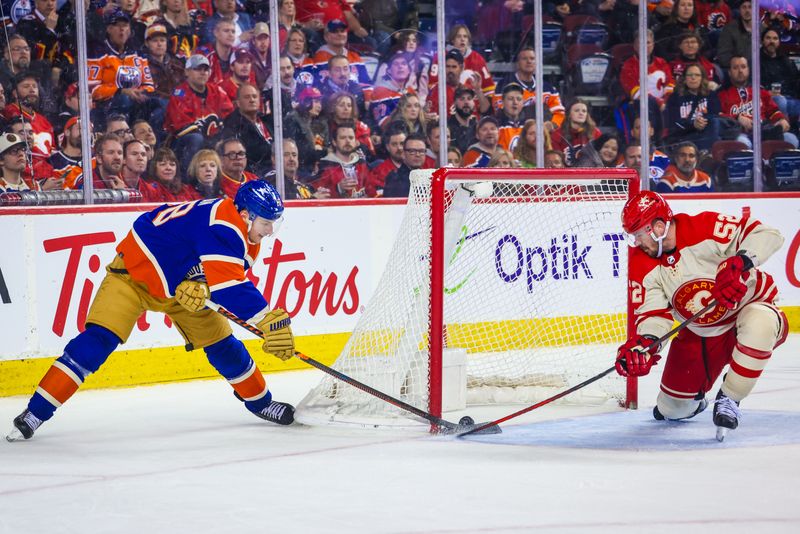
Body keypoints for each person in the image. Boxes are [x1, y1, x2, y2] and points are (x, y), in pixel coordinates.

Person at [7, 181, 296, 441]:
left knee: (222, 345)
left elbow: (216, 274)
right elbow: (231, 287)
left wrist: (199, 284)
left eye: (274, 223)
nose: (270, 231)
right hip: (134, 276)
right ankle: (35, 413)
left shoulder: (246, 237)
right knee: (96, 342)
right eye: (266, 223)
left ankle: (261, 404)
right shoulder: (225, 226)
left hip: (182, 290)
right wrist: (267, 320)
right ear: (246, 215)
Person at [616, 190, 788, 439]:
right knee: (672, 409)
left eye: (639, 234)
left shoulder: (704, 227)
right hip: (702, 334)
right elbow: (654, 314)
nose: (637, 242)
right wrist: (645, 344)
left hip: (749, 309)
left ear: (659, 226)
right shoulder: (642, 261)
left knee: (760, 322)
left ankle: (730, 397)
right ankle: (693, 401)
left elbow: (768, 234)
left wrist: (741, 262)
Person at [717, 56, 798, 148]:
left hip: (764, 130)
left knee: (791, 139)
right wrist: (737, 118)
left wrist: (781, 120)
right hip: (739, 133)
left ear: (748, 70)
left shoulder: (760, 91)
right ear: (729, 72)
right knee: (742, 143)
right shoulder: (721, 94)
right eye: (735, 68)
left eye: (743, 67)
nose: (740, 71)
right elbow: (717, 116)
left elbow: (773, 111)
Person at [664, 62, 721, 152]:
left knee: (715, 123)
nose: (693, 78)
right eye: (689, 75)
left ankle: (704, 154)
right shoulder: (675, 98)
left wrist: (702, 121)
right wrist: (693, 124)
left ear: (702, 78)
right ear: (684, 79)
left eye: (697, 75)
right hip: (683, 137)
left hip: (705, 135)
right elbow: (673, 124)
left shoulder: (710, 95)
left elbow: (715, 115)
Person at [383, 133, 427, 198]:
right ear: (403, 154)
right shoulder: (395, 178)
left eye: (421, 151)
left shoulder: (427, 177)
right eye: (412, 151)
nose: (417, 155)